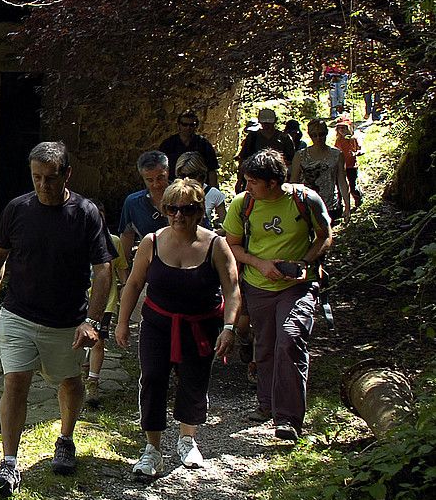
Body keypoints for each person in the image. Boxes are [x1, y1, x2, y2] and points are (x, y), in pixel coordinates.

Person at [0, 141, 114, 494]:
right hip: (19, 314)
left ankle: (66, 438)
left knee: (69, 382)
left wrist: (93, 321)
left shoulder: (85, 214)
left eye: (50, 178)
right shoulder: (17, 209)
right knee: (16, 382)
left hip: (65, 321)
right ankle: (9, 463)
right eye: (36, 177)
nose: (43, 185)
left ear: (67, 174)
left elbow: (103, 269)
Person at [116, 179, 240, 478]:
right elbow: (133, 283)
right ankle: (152, 450)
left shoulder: (216, 245)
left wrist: (229, 327)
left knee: (193, 381)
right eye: (172, 208)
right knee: (153, 380)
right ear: (164, 210)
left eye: (186, 209)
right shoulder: (152, 241)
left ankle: (187, 439)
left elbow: (232, 289)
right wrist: (122, 322)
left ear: (199, 211)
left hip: (201, 326)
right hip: (158, 325)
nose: (178, 215)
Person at [222, 149, 331, 442]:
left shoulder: (304, 200)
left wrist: (306, 262)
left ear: (272, 183)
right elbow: (231, 245)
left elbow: (325, 235)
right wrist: (261, 264)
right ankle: (267, 405)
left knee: (291, 339)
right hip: (259, 286)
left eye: (253, 182)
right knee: (266, 344)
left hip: (298, 286)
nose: (246, 188)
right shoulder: (242, 205)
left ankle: (288, 419)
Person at [85, 209, 128, 407]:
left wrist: (127, 290)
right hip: (78, 301)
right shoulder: (75, 237)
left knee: (98, 342)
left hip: (104, 301)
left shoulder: (113, 241)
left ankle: (92, 381)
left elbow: (121, 268)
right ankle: (80, 375)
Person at [290, 119, 351, 224]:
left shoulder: (337, 154)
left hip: (331, 205)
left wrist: (347, 206)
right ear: (309, 135)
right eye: (314, 135)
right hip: (306, 204)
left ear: (326, 133)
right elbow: (293, 183)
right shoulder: (300, 156)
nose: (318, 138)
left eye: (321, 134)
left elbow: (342, 181)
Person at [118, 151, 172, 268]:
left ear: (167, 171)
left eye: (160, 178)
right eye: (150, 180)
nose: (156, 184)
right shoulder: (133, 204)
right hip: (151, 267)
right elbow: (127, 237)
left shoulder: (183, 197)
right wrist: (124, 276)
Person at [236, 108, 295, 191]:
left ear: (274, 122)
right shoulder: (253, 137)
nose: (266, 125)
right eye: (264, 123)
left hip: (277, 179)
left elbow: (292, 161)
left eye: (269, 123)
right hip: (255, 178)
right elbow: (243, 159)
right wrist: (239, 180)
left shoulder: (284, 138)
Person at [158, 110, 219, 186]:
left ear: (196, 126)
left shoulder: (204, 145)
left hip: (198, 186)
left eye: (191, 125)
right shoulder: (168, 144)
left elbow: (212, 170)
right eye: (184, 124)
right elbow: (161, 169)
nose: (188, 128)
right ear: (179, 125)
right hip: (174, 186)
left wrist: (213, 191)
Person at [175, 151, 228, 227]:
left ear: (201, 175)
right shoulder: (174, 194)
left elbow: (226, 227)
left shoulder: (213, 194)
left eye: (191, 176)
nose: (187, 179)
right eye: (182, 176)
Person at [334, 117, 364, 208]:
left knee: (352, 186)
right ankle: (340, 204)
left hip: (351, 166)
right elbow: (336, 151)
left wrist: (355, 153)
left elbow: (361, 150)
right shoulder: (338, 140)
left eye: (344, 127)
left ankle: (358, 199)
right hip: (341, 166)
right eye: (339, 128)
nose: (341, 130)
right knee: (340, 186)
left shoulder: (353, 139)